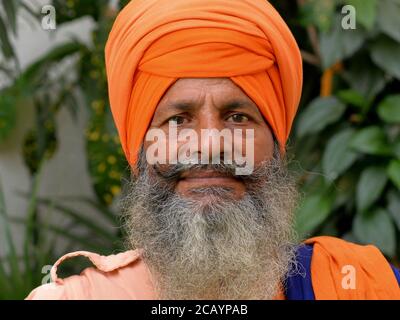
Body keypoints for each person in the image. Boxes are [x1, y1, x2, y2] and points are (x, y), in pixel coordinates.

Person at [26, 0, 400, 300]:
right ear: (138, 149)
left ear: (277, 146)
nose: (209, 144)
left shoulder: (356, 286)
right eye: (178, 121)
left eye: (238, 117)